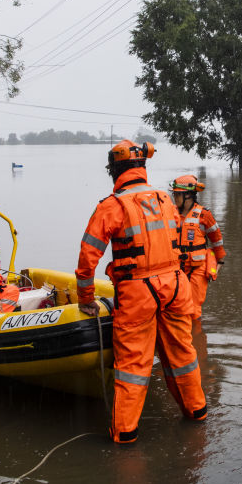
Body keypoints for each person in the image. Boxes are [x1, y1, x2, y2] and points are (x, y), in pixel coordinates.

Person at [75, 140, 207, 444]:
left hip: (138, 292)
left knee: (133, 366)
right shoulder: (165, 198)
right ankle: (197, 413)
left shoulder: (113, 205)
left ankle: (125, 434)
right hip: (175, 285)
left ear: (115, 170)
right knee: (184, 355)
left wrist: (85, 299)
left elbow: (88, 257)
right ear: (141, 168)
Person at [170, 174, 226, 320]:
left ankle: (195, 338)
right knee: (174, 309)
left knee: (193, 311)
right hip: (175, 269)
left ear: (188, 195)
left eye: (177, 194)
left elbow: (217, 240)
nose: (174, 198)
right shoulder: (170, 214)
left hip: (197, 269)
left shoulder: (204, 215)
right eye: (173, 194)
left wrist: (219, 262)